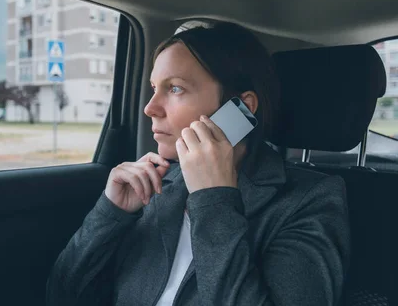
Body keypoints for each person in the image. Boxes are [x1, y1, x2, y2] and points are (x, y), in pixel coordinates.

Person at [46, 22, 350, 305]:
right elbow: (63, 296)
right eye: (154, 88)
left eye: (175, 88)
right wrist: (110, 213)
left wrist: (214, 199)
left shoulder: (309, 199)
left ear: (242, 107)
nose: (150, 108)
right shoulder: (159, 183)